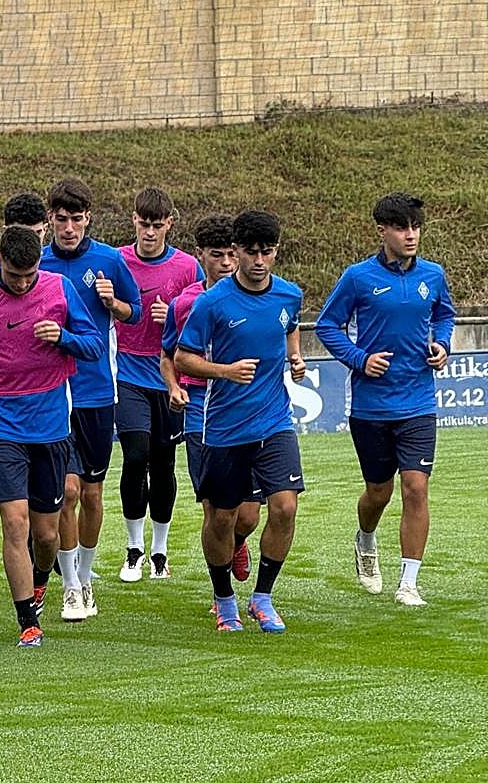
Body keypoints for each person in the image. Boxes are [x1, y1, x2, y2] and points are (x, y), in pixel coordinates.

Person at [0, 225, 104, 647]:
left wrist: (64, 338)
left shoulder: (60, 288)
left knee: (47, 534)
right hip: (0, 423)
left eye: (29, 274)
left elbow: (94, 346)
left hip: (51, 424)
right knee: (14, 524)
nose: (22, 283)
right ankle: (26, 620)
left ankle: (39, 579)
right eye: (15, 275)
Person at [315, 193, 455, 606]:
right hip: (372, 407)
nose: (411, 235)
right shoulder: (357, 277)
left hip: (418, 402)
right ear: (383, 231)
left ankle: (408, 583)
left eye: (415, 226)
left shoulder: (433, 273)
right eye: (401, 227)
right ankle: (366, 540)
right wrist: (360, 359)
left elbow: (445, 314)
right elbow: (328, 325)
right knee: (379, 492)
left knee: (416, 487)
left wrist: (442, 345)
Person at [175, 210, 306, 633]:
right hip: (224, 427)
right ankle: (223, 597)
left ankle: (263, 598)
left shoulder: (289, 295)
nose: (258, 261)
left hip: (274, 420)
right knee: (223, 519)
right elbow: (182, 357)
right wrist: (225, 371)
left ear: (276, 252)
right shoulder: (211, 303)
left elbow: (290, 327)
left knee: (285, 506)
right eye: (250, 252)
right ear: (238, 252)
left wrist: (295, 356)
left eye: (267, 252)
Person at [39, 178, 141, 621]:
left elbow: (133, 312)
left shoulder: (109, 260)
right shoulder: (38, 265)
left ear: (88, 220)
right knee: (67, 491)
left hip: (99, 391)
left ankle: (86, 571)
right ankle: (72, 586)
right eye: (61, 220)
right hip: (55, 393)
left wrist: (112, 301)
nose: (68, 228)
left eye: (76, 220)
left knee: (94, 495)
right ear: (50, 221)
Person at [160, 215, 261, 584]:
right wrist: (173, 387)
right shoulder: (185, 303)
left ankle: (237, 542)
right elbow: (168, 355)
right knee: (214, 509)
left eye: (231, 255)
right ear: (199, 254)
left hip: (249, 411)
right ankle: (220, 594)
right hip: (200, 412)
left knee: (247, 516)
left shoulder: (256, 296)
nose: (226, 263)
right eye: (216, 255)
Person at [114, 188, 203, 581]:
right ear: (133, 219)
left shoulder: (188, 267)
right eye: (143, 223)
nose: (149, 232)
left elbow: (203, 314)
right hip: (128, 373)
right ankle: (133, 549)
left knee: (164, 464)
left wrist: (175, 316)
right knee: (134, 456)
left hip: (169, 376)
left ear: (169, 222)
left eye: (157, 224)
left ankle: (159, 552)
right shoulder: (116, 260)